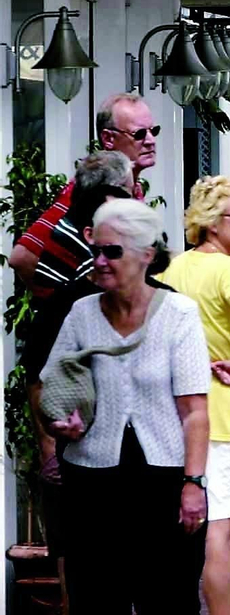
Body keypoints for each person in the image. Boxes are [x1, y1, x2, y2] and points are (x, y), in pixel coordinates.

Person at [44, 199, 209, 614]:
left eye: (112, 252)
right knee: (96, 598)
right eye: (95, 250)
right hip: (92, 482)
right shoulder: (81, 314)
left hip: (163, 481)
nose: (99, 261)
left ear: (145, 255)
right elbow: (53, 384)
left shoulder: (178, 314)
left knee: (168, 597)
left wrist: (194, 484)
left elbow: (195, 412)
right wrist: (61, 420)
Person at [155, 175, 230, 615]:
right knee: (220, 532)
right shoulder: (228, 270)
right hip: (222, 416)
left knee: (187, 532)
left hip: (176, 416)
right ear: (211, 222)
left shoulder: (174, 268)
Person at [20, 152, 135, 491]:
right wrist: (49, 447)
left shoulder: (161, 300)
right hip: (86, 453)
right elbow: (39, 374)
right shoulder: (72, 297)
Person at [8, 92, 159, 287]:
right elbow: (22, 257)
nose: (150, 140)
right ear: (108, 138)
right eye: (139, 134)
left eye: (153, 131)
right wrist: (65, 304)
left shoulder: (133, 189)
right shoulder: (88, 190)